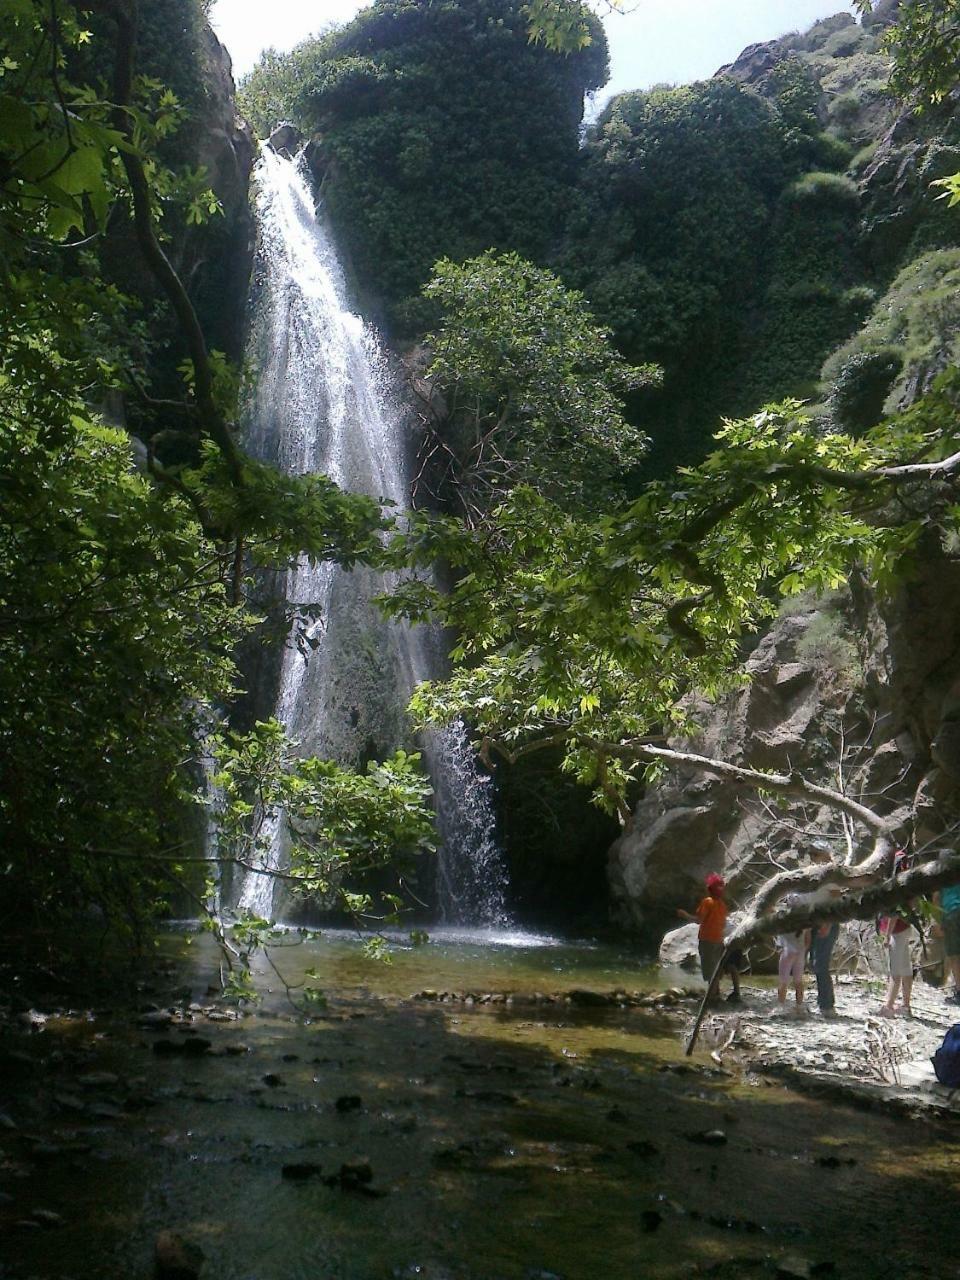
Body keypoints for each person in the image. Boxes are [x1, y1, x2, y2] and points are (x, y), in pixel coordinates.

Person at [677, 873, 742, 1004]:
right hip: (718, 940)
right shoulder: (722, 905)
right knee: (716, 969)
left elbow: (699, 920)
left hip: (707, 940)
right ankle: (716, 994)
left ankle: (711, 999)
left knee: (709, 970)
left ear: (709, 889)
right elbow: (722, 923)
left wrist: (684, 915)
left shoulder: (707, 902)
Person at [776, 900, 811, 1014]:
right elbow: (808, 940)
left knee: (783, 980)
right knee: (798, 980)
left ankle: (781, 1005)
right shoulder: (804, 922)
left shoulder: (783, 919)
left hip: (787, 951)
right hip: (800, 952)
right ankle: (799, 1005)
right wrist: (804, 950)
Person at [878, 911, 914, 1017]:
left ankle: (888, 1006)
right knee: (905, 968)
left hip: (896, 932)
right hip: (904, 928)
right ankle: (906, 1006)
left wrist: (887, 935)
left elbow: (893, 914)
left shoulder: (891, 895)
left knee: (895, 971)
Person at [934, 884, 960, 1005]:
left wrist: (938, 922)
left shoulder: (943, 872)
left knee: (954, 955)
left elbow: (936, 897)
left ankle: (959, 992)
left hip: (951, 912)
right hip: (952, 912)